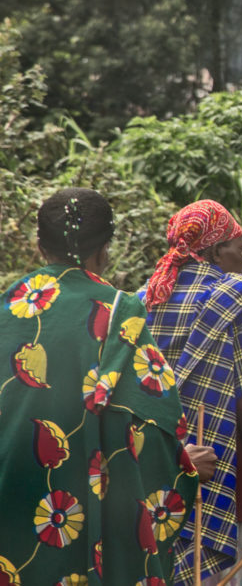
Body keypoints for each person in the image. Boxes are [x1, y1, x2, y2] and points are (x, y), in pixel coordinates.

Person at [0, 188, 212, 585]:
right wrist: (185, 467)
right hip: (79, 505)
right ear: (107, 247)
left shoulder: (6, 308)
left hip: (8, 500)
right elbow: (150, 422)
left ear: (38, 244)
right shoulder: (119, 311)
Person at [141, 200, 242, 585]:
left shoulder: (143, 301)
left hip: (158, 505)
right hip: (235, 511)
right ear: (215, 251)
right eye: (239, 249)